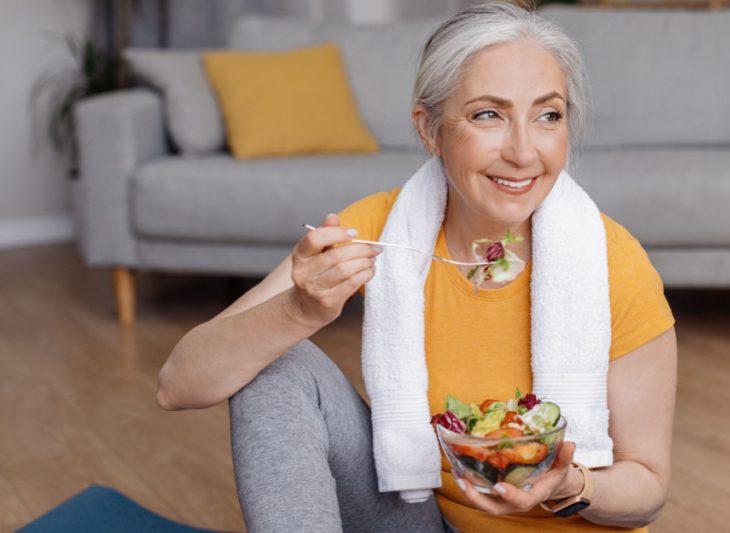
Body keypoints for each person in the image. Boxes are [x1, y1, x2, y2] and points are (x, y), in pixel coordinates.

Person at [156, 3, 676, 532]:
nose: (523, 151)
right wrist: (297, 310)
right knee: (273, 362)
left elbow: (648, 491)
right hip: (423, 522)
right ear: (430, 130)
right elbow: (177, 386)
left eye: (548, 115)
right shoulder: (381, 229)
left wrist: (570, 484)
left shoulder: (612, 261)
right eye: (487, 115)